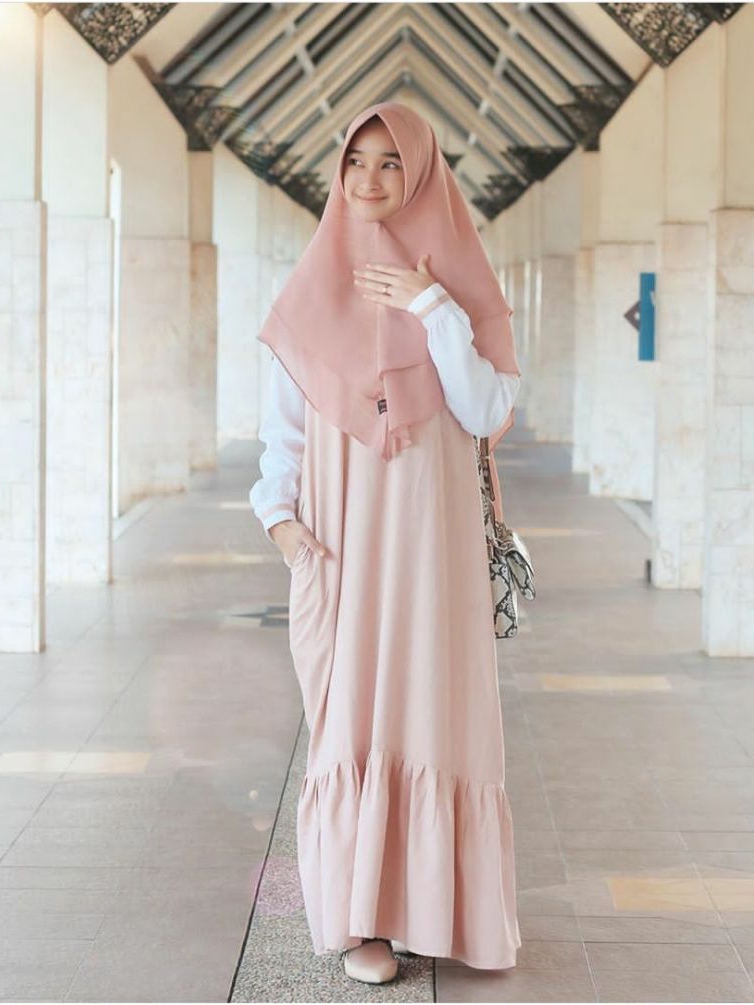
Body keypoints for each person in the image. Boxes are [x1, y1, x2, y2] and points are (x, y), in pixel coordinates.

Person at [249, 100, 522, 984]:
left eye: (391, 161)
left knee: (431, 708)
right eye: (356, 161)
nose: (369, 178)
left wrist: (430, 303)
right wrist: (282, 526)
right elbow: (283, 430)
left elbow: (486, 408)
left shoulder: (459, 283)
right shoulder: (312, 289)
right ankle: (359, 918)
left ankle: (435, 910)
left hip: (433, 547)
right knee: (350, 720)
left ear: (424, 173)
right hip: (343, 545)